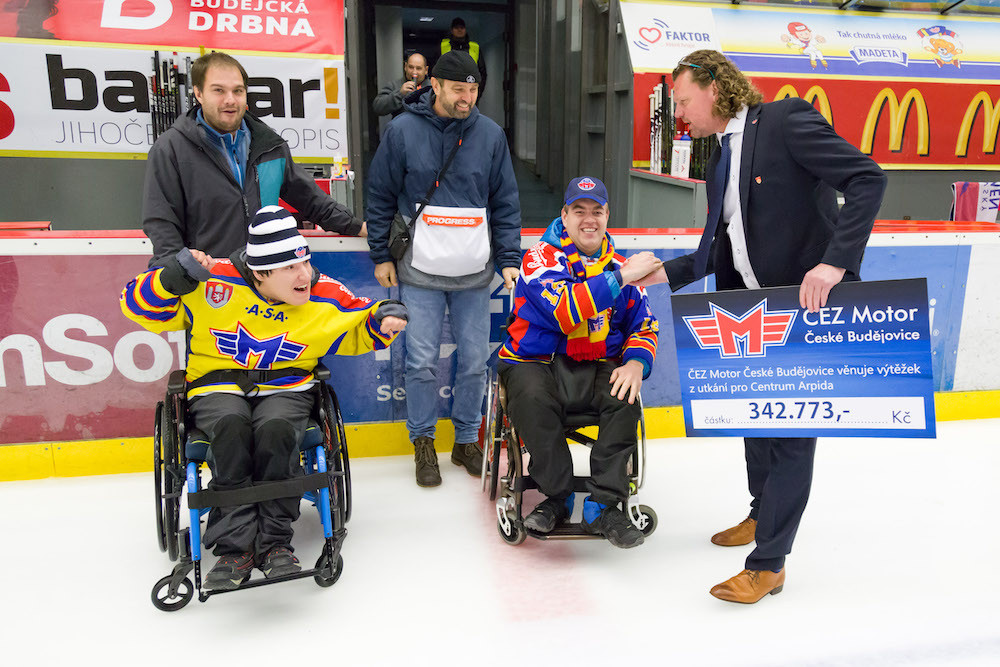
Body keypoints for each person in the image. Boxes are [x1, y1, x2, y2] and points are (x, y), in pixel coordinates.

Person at [662, 50, 887, 603]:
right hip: (749, 313)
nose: (680, 115)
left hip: (803, 308)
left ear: (715, 88)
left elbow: (867, 178)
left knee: (790, 434)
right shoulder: (720, 156)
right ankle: (761, 513)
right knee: (754, 420)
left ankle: (768, 565)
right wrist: (662, 272)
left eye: (684, 101)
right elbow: (721, 245)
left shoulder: (786, 120)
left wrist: (835, 263)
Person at [121, 205, 407, 591]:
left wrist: (384, 319)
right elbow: (137, 308)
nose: (304, 274)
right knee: (230, 425)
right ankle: (235, 549)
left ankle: (274, 544)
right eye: (290, 267)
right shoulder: (212, 281)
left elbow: (358, 324)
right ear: (259, 273)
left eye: (305, 262)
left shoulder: (323, 293)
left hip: (287, 387)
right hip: (217, 386)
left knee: (276, 428)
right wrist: (168, 279)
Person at [366, 49, 521, 488]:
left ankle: (466, 440)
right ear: (434, 85)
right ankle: (423, 441)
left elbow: (505, 202)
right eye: (458, 90)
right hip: (419, 272)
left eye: (473, 90)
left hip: (474, 273)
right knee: (420, 362)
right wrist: (381, 254)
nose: (467, 98)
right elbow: (379, 196)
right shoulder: (401, 131)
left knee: (474, 361)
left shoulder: (490, 135)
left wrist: (509, 259)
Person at [498, 177, 661, 548]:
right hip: (534, 358)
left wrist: (636, 363)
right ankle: (557, 498)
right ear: (564, 216)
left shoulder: (620, 265)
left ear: (607, 216)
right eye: (579, 211)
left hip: (598, 360)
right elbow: (565, 311)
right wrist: (623, 276)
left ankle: (603, 505)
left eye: (597, 211)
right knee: (532, 400)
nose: (589, 219)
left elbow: (645, 325)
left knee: (623, 395)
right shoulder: (540, 258)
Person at [142, 51, 365, 268]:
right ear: (199, 93)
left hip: (266, 278)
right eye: (219, 90)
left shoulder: (269, 146)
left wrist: (357, 227)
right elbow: (162, 223)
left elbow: (312, 200)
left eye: (238, 91)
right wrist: (179, 271)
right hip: (211, 282)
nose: (230, 100)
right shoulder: (171, 149)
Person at [440, 17, 486, 101]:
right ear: (452, 30)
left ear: (465, 30)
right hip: (448, 94)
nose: (459, 30)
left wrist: (478, 94)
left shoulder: (475, 47)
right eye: (456, 27)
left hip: (469, 95)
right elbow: (435, 71)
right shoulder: (443, 46)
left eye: (462, 27)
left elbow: (482, 73)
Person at [373, 52, 430, 118]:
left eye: (418, 68)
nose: (414, 72)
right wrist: (400, 94)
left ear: (426, 70)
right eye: (411, 67)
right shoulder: (394, 85)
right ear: (405, 67)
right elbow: (378, 108)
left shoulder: (433, 87)